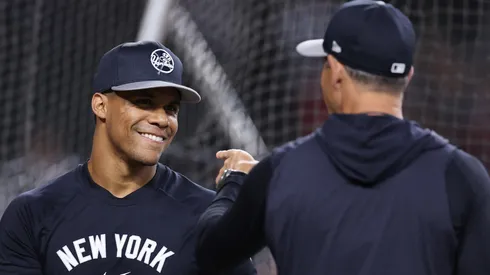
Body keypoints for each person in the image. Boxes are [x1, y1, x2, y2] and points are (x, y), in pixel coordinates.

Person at [195, 1, 490, 275]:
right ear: (408, 76)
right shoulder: (461, 177)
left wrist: (236, 182)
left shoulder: (279, 174)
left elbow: (209, 254)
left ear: (335, 71)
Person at [0, 41, 256, 275]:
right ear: (100, 106)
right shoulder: (32, 214)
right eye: (144, 102)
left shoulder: (206, 217)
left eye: (171, 108)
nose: (161, 119)